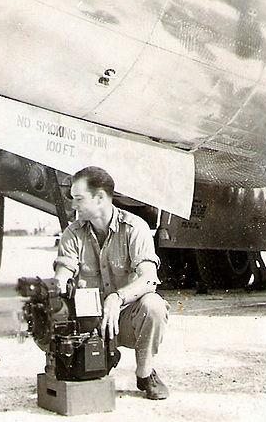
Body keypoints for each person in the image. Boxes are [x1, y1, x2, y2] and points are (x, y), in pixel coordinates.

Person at [54, 166, 170, 400]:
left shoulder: (135, 228)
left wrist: (117, 298)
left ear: (99, 198)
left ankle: (145, 374)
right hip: (87, 324)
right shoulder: (72, 234)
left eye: (78, 199)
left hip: (124, 321)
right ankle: (75, 365)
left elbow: (149, 277)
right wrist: (57, 286)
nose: (73, 205)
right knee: (50, 313)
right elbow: (64, 271)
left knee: (154, 306)